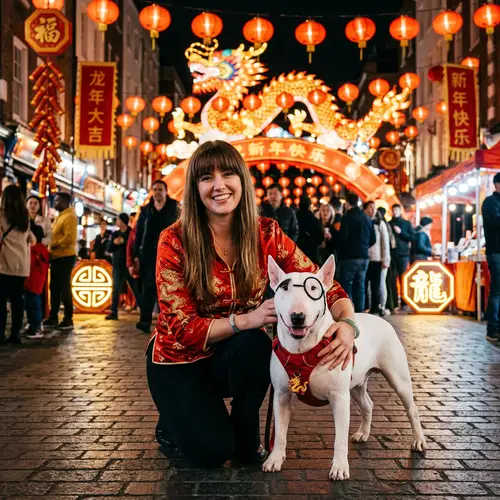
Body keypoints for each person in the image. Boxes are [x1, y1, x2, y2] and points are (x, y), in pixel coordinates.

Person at [147, 140, 356, 470]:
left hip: (233, 356)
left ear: (242, 181)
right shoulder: (174, 240)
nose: (219, 186)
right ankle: (174, 421)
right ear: (194, 187)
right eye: (206, 178)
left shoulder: (267, 232)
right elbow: (182, 329)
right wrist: (247, 319)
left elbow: (324, 286)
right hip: (179, 361)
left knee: (257, 346)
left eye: (228, 174)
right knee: (211, 453)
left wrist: (348, 325)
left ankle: (246, 439)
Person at [134, 180, 178, 333]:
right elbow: (138, 233)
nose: (157, 192)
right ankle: (144, 321)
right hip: (149, 254)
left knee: (170, 287)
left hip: (171, 252)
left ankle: (170, 322)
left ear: (166, 191)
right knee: (148, 287)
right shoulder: (146, 210)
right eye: (155, 189)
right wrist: (136, 255)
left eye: (160, 189)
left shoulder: (175, 207)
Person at [0, 185, 34, 344]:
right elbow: (31, 240)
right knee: (17, 301)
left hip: (4, 264)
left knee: (1, 300)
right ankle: (15, 334)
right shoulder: (25, 217)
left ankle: (1, 334)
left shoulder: (1, 216)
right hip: (21, 266)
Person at [337, 193, 376, 312]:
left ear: (348, 204)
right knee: (360, 287)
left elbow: (342, 237)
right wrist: (363, 247)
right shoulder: (367, 218)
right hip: (364, 258)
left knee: (346, 286)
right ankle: (360, 313)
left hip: (349, 257)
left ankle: (348, 313)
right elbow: (373, 239)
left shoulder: (347, 217)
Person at [44, 192, 78, 331]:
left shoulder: (70, 216)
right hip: (57, 257)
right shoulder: (61, 216)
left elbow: (69, 238)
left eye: (57, 200)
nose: (55, 202)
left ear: (65, 201)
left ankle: (68, 318)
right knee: (55, 287)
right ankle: (53, 316)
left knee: (64, 287)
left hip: (65, 256)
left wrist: (53, 245)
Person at [106, 213, 135, 320]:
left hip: (129, 265)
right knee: (116, 289)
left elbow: (134, 246)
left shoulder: (131, 232)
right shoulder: (115, 234)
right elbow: (109, 248)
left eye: (118, 220)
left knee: (135, 288)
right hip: (117, 265)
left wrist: (124, 242)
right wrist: (114, 243)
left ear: (123, 221)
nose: (116, 221)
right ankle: (113, 312)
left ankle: (144, 312)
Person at [482, 172, 500, 342]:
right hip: (496, 252)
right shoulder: (490, 202)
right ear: (496, 185)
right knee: (497, 290)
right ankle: (492, 328)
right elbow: (495, 221)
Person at [23, 224, 49, 339]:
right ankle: (33, 327)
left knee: (33, 306)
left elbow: (30, 264)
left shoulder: (34, 250)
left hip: (32, 281)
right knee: (32, 305)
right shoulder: (42, 249)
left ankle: (36, 329)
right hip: (36, 282)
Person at [364, 203, 390, 315]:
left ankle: (377, 307)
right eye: (370, 208)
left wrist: (386, 259)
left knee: (376, 285)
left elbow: (385, 243)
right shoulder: (363, 222)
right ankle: (367, 307)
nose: (373, 210)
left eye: (374, 208)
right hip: (365, 258)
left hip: (376, 258)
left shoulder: (380, 223)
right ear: (365, 209)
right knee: (365, 286)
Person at [389, 204, 414, 310]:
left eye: (397, 210)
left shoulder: (406, 223)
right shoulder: (388, 223)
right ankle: (394, 303)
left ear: (400, 211)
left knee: (403, 278)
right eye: (393, 210)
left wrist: (401, 232)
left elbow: (412, 237)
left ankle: (404, 302)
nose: (395, 212)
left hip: (403, 255)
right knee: (392, 279)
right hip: (391, 255)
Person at [295, 195, 324, 265]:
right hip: (311, 251)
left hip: (296, 250)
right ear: (309, 205)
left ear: (299, 205)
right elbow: (320, 237)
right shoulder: (313, 218)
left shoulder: (295, 216)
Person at [378, 207, 396, 315]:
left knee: (382, 283)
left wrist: (386, 259)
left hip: (383, 258)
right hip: (386, 257)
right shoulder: (386, 224)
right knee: (384, 283)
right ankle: (386, 305)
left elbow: (386, 243)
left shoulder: (382, 224)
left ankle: (383, 305)